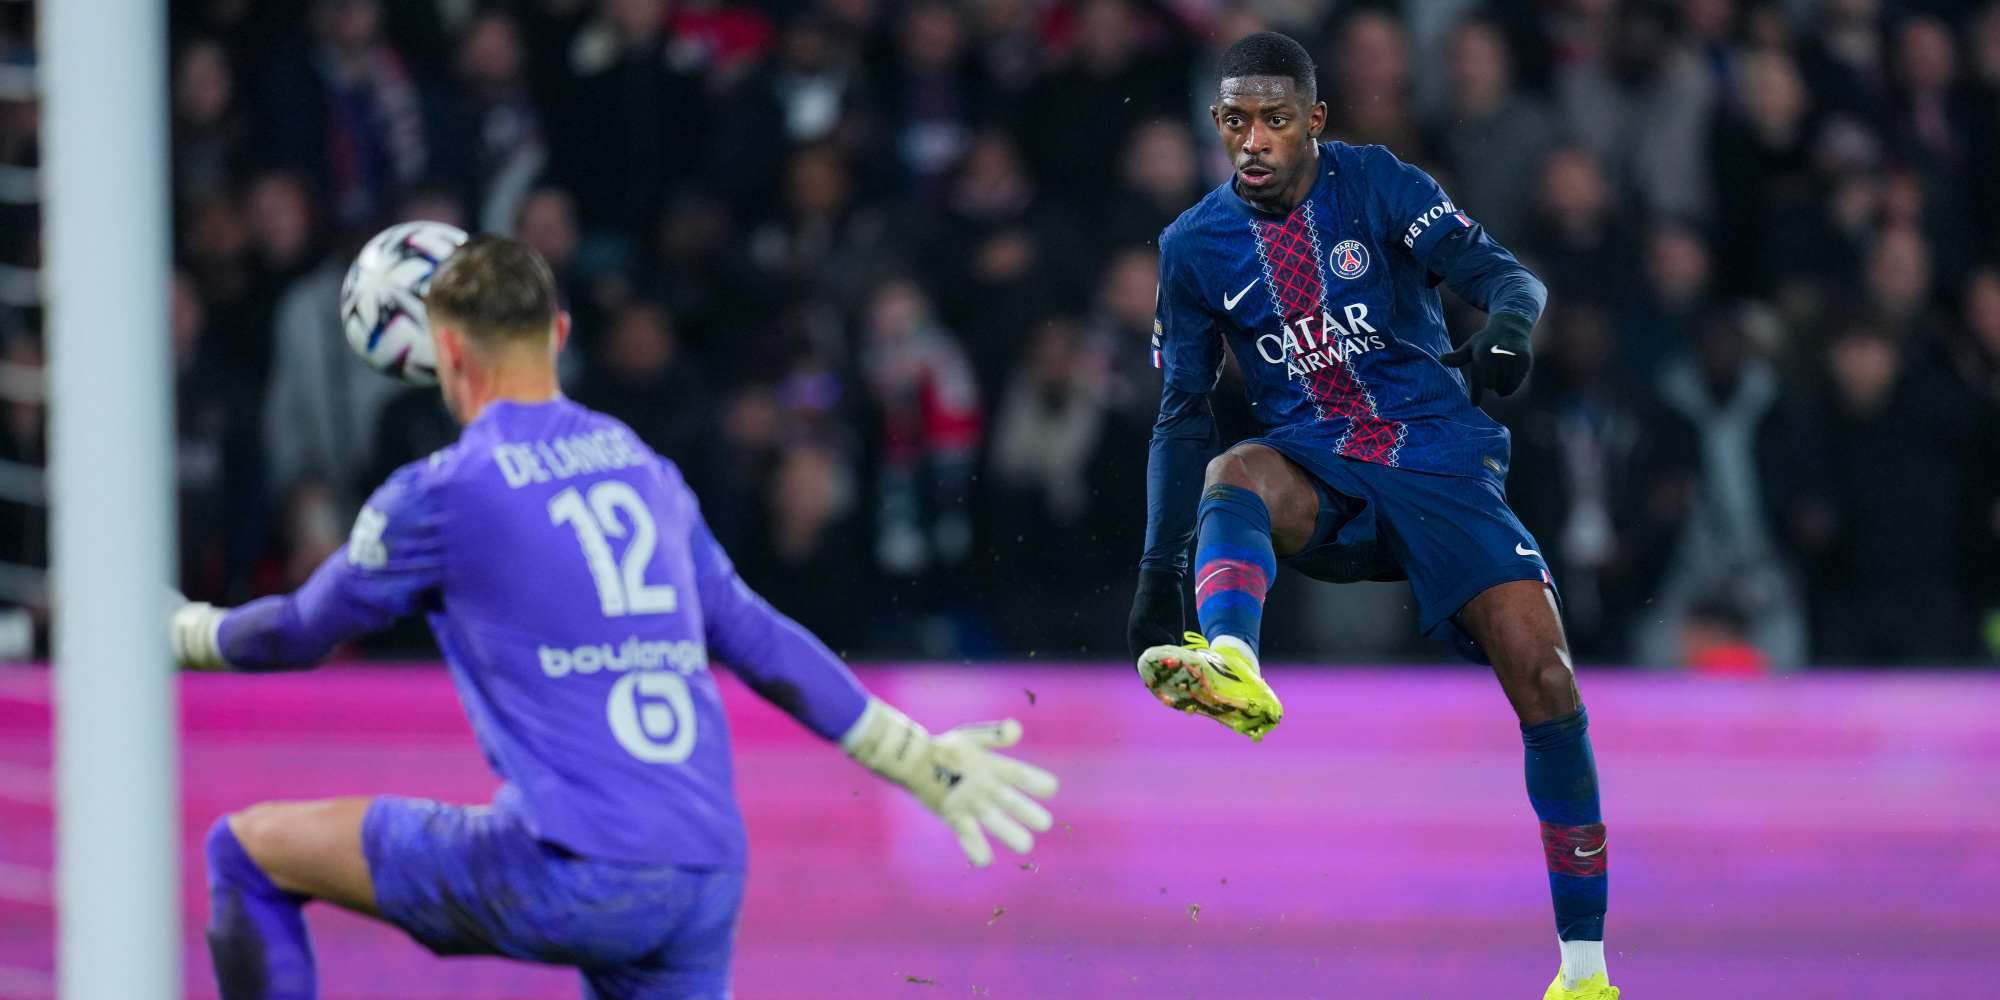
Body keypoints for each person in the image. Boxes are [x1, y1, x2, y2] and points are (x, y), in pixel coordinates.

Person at [167, 237, 1058, 999]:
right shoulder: (644, 467)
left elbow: (297, 633)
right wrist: (908, 752)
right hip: (703, 870)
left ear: (443, 351)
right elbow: (754, 633)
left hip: (572, 867)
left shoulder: (439, 493)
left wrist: (181, 632)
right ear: (557, 333)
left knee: (248, 853)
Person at [1126, 33, 1614, 1000]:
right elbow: (1179, 415)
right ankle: (1232, 658)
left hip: (1438, 460)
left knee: (1548, 680)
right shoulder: (1192, 247)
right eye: (1235, 123)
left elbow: (1511, 280)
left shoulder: (1381, 183)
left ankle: (1585, 970)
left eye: (1273, 120)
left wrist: (1510, 335)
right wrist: (1155, 573)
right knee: (1235, 464)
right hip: (1321, 471)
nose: (1253, 142)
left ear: (1314, 119)